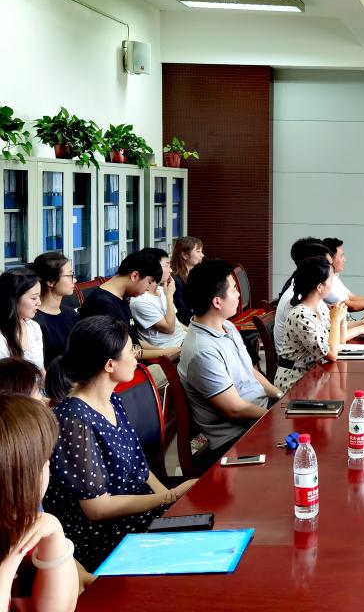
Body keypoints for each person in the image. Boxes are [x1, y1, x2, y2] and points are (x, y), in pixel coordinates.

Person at [42, 317, 197, 572]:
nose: (136, 357)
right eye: (131, 351)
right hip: (104, 534)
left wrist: (171, 505)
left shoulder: (112, 399)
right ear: (109, 364)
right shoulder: (73, 420)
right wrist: (169, 497)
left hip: (135, 511)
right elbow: (97, 509)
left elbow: (140, 467)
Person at [180, 259, 283, 463]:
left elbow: (250, 370)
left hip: (258, 414)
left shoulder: (227, 327)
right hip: (235, 437)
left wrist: (280, 397)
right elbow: (234, 409)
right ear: (217, 302)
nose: (238, 295)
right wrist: (276, 417)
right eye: (234, 289)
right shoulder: (203, 351)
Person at [0, 394, 78, 612]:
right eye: (44, 461)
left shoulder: (24, 522)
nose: (48, 468)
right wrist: (10, 561)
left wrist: (53, 531)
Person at [275, 238, 364, 353]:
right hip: (306, 362)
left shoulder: (312, 295)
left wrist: (362, 324)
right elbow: (330, 346)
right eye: (327, 264)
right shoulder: (299, 301)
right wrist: (358, 328)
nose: (331, 268)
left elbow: (330, 330)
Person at [274, 257, 346, 392]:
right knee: (340, 395)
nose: (333, 284)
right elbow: (332, 354)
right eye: (331, 280)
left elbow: (339, 343)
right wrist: (336, 320)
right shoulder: (301, 315)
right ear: (319, 287)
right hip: (294, 381)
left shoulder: (318, 308)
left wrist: (342, 319)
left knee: (341, 394)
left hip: (313, 376)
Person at [78, 251, 162, 341]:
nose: (148, 288)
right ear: (134, 276)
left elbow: (134, 340)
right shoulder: (102, 305)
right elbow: (117, 348)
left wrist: (164, 349)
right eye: (149, 282)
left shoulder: (122, 296)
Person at [129, 248, 187, 354]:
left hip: (183, 340)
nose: (171, 270)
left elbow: (177, 323)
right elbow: (170, 328)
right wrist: (169, 296)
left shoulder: (162, 290)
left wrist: (192, 331)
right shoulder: (140, 300)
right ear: (155, 267)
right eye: (167, 265)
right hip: (172, 347)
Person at [27, 253, 78, 370]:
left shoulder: (70, 313)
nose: (74, 280)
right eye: (70, 275)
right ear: (51, 281)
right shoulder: (34, 321)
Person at [321, 238, 364, 310]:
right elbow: (351, 306)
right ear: (330, 258)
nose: (344, 259)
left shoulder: (334, 277)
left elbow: (353, 297)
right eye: (341, 256)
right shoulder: (327, 281)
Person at [0, 269, 44, 373]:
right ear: (14, 299)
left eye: (39, 296)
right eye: (34, 298)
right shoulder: (1, 337)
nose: (39, 302)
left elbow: (41, 370)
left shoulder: (34, 327)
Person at [170, 236, 203, 327]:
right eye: (198, 251)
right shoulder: (175, 279)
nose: (202, 255)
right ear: (184, 255)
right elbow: (182, 313)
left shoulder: (194, 274)